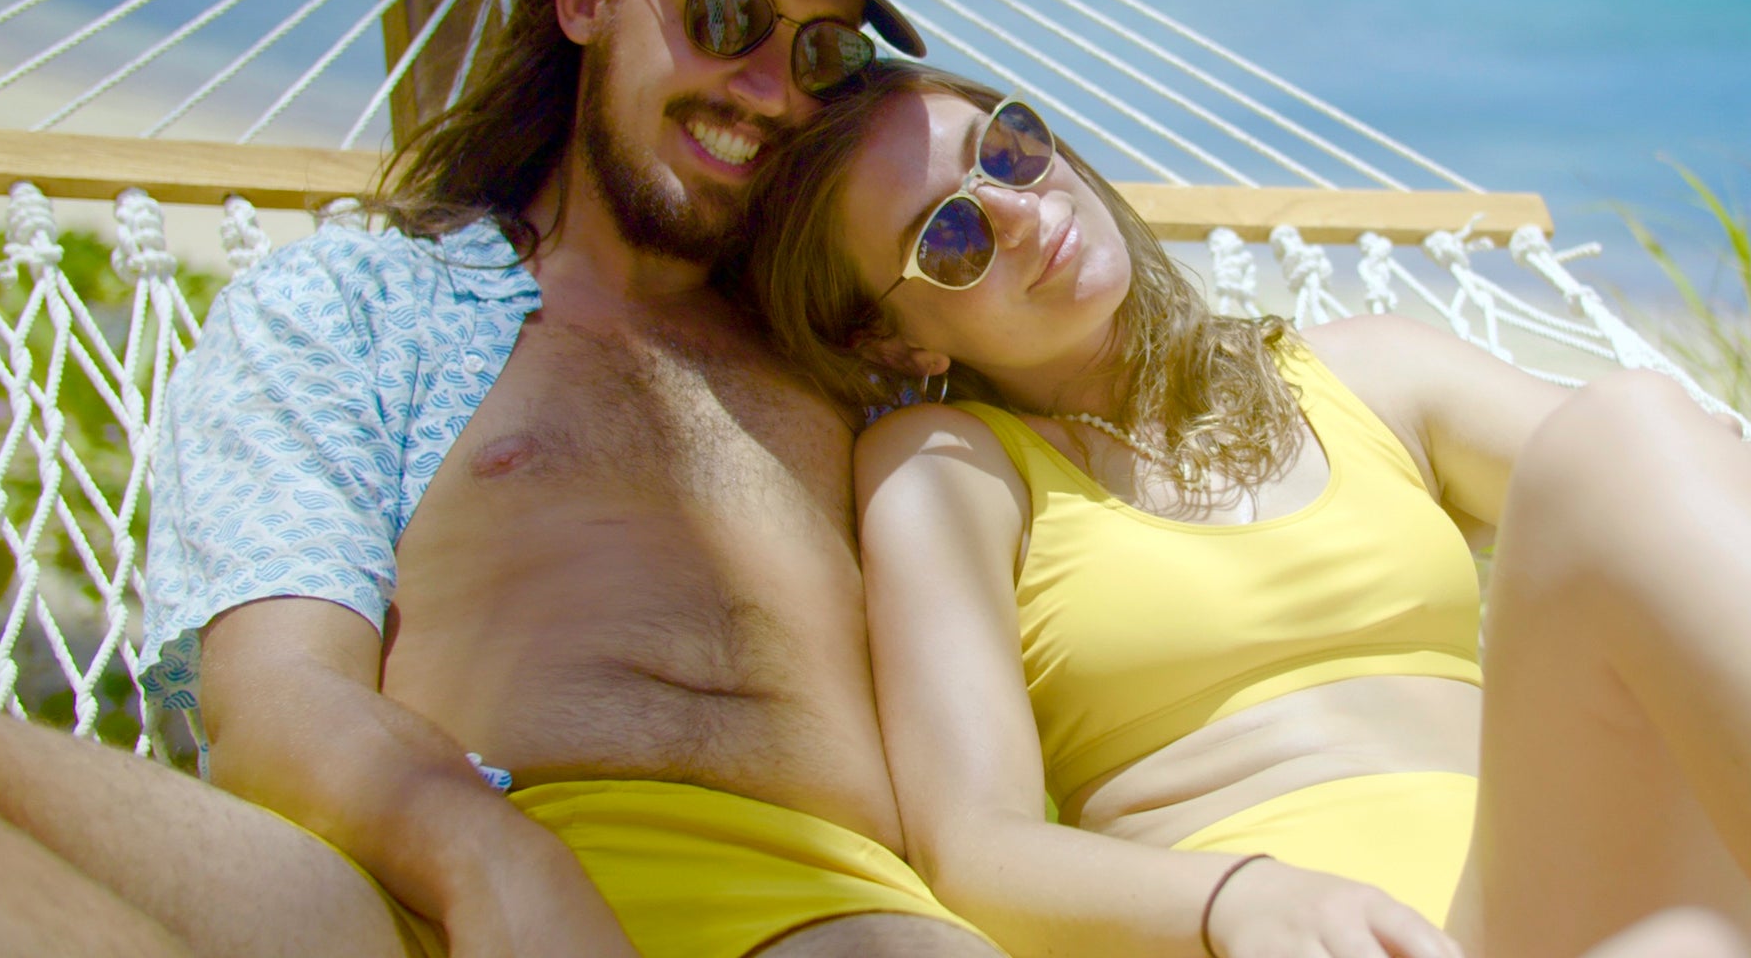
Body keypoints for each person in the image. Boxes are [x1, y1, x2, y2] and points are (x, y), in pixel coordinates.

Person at [0, 0, 1004, 958]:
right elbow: (271, 698)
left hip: (827, 911)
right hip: (432, 893)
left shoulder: (868, 364)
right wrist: (495, 859)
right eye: (729, 12)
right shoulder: (365, 306)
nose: (770, 91)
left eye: (825, 55)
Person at [741, 59, 1751, 958]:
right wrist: (1238, 898)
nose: (1017, 209)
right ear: (899, 343)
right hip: (1301, 929)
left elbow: (1680, 509)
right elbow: (977, 846)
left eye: (1007, 147)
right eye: (950, 236)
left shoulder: (1372, 373)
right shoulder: (953, 470)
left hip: (1572, 890)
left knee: (1630, 431)